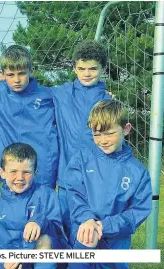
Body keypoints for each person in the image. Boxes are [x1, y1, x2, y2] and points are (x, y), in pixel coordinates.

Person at [64, 100, 151, 269]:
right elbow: (74, 193)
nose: (103, 140)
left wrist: (105, 226)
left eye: (109, 133)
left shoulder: (138, 171)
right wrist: (87, 219)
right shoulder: (81, 159)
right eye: (97, 134)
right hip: (84, 235)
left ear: (126, 129)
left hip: (115, 244)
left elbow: (138, 211)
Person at [50, 40, 111, 239]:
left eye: (93, 68)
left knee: (86, 231)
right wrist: (2, 83)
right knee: (63, 228)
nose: (86, 73)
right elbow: (29, 93)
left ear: (103, 68)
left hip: (94, 180)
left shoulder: (108, 103)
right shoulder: (60, 93)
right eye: (81, 68)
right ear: (75, 68)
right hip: (66, 176)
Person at [0, 45, 58, 189]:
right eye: (10, 75)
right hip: (10, 168)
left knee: (44, 208)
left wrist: (103, 95)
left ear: (31, 71)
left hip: (42, 169)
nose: (16, 79)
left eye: (21, 73)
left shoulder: (50, 96)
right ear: (3, 73)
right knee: (11, 207)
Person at [0, 143, 67, 269]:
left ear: (35, 173)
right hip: (12, 258)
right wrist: (4, 263)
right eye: (13, 172)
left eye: (26, 172)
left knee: (44, 240)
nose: (20, 178)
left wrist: (39, 222)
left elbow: (57, 231)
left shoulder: (47, 195)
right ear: (2, 172)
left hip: (39, 253)